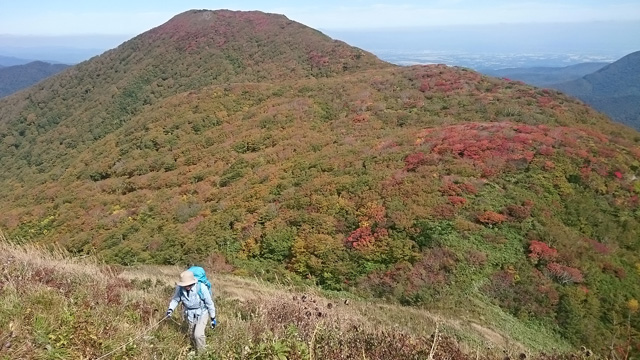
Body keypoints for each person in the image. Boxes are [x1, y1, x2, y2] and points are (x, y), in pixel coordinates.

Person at [166, 270, 217, 353]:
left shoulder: (201, 287)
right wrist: (170, 309)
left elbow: (209, 303)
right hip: (189, 314)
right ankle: (194, 349)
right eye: (185, 285)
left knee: (198, 334)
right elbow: (175, 300)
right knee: (191, 334)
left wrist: (213, 318)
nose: (187, 286)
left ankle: (202, 354)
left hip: (202, 313)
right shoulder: (179, 289)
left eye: (189, 284)